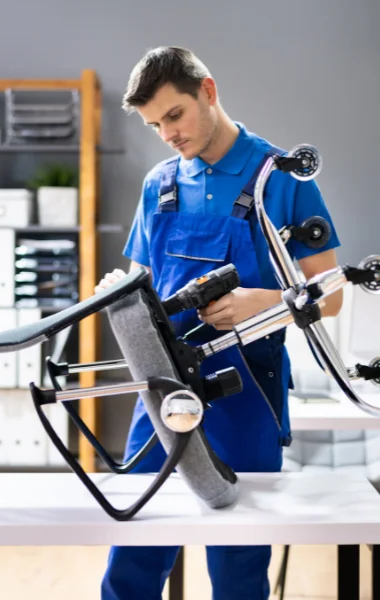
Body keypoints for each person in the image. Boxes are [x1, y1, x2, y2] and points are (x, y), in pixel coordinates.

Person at [95, 46, 344, 600]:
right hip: (161, 390)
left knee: (238, 567)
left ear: (208, 90)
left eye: (174, 116)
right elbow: (139, 284)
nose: (168, 135)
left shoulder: (280, 178)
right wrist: (115, 295)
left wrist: (264, 300)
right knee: (133, 555)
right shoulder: (158, 183)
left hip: (247, 389)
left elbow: (331, 296)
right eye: (155, 124)